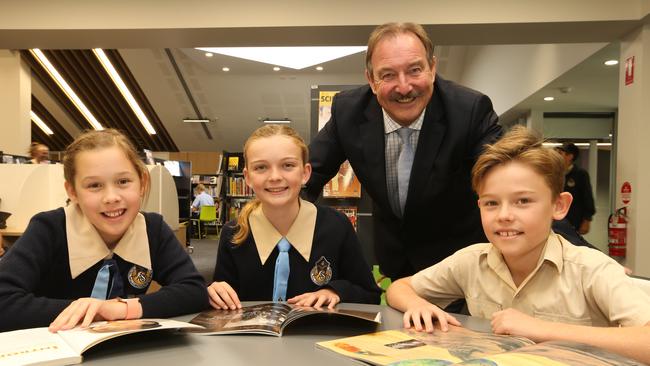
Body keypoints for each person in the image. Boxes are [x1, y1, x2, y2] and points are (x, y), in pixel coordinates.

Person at [386, 126, 650, 364]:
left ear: (559, 206)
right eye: (491, 203)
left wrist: (541, 329)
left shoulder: (591, 269)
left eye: (522, 201)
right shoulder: (470, 261)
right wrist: (417, 305)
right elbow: (400, 287)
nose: (504, 215)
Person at [305, 22, 502, 280]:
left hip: (462, 267)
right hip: (396, 266)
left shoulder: (470, 111)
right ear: (371, 80)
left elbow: (507, 180)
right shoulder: (348, 111)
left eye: (415, 70)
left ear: (432, 68)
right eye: (388, 75)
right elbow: (305, 176)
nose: (404, 87)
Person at [0, 129, 208, 332]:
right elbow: (4, 301)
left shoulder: (152, 228)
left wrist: (118, 309)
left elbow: (193, 290)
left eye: (123, 181)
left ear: (142, 183)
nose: (111, 197)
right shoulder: (48, 229)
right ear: (72, 191)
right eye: (94, 185)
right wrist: (93, 312)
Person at [208, 125, 381, 310]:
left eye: (288, 165)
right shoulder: (233, 234)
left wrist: (334, 291)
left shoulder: (336, 226)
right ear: (247, 177)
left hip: (315, 337)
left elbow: (369, 294)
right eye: (261, 167)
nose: (275, 177)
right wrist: (215, 293)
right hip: (254, 338)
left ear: (305, 173)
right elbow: (222, 303)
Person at [556, 142, 596, 234]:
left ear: (570, 156)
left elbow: (588, 198)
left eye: (560, 153)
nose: (557, 155)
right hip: (556, 221)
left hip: (573, 222)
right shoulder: (554, 173)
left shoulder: (580, 174)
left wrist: (587, 220)